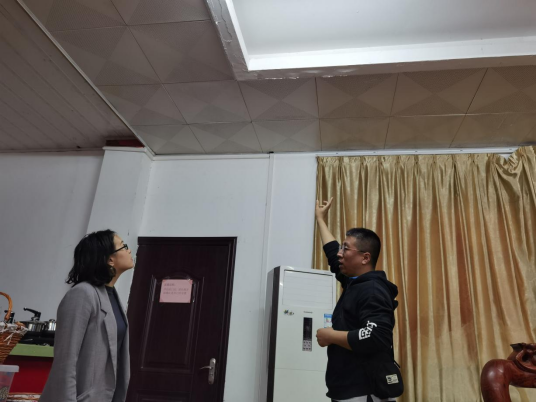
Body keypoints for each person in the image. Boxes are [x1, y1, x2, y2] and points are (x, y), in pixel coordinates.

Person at [315, 198, 403, 402]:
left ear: (365, 258)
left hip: (365, 392)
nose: (340, 253)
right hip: (349, 390)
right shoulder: (354, 282)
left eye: (345, 248)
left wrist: (331, 336)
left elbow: (376, 337)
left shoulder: (372, 290)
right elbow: (332, 255)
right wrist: (320, 219)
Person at [40, 230, 133, 402]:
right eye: (123, 246)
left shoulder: (111, 295)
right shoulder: (82, 294)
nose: (129, 250)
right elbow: (65, 361)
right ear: (110, 259)